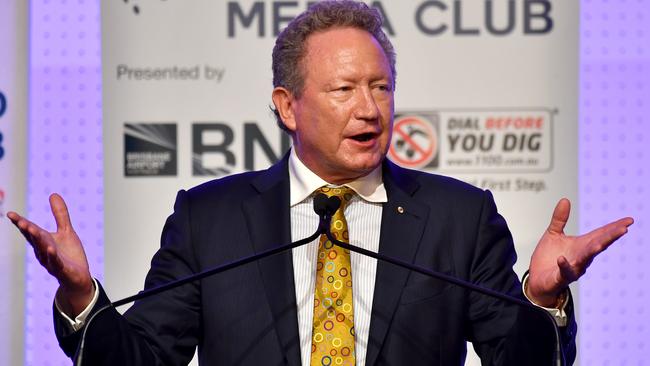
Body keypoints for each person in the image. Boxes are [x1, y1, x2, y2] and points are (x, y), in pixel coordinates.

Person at [8, 1, 633, 365]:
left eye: (380, 86)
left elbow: (518, 365)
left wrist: (543, 299)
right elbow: (143, 362)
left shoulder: (457, 217)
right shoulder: (210, 219)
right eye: (344, 89)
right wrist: (83, 296)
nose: (370, 109)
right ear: (287, 106)